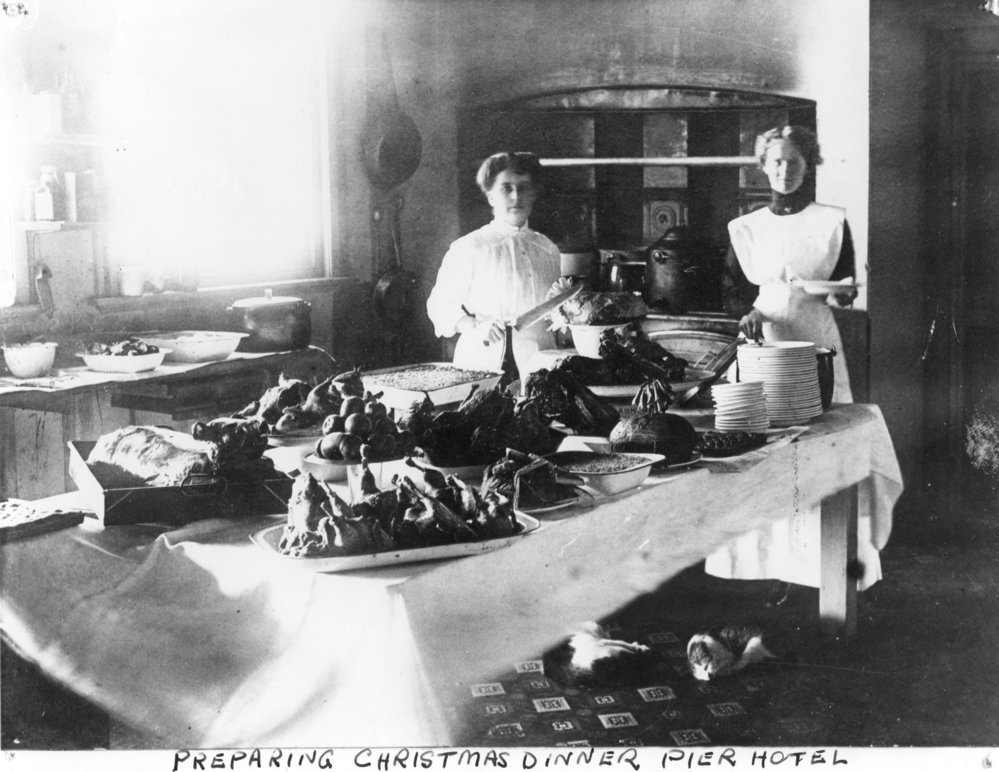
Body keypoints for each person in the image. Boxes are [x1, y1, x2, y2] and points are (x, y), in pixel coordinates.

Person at [706, 125, 879, 602]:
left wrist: (842, 292)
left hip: (817, 334)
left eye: (795, 162)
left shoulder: (831, 221)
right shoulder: (746, 228)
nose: (785, 170)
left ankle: (819, 564)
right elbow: (732, 295)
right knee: (763, 447)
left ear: (809, 166)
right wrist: (745, 313)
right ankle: (762, 564)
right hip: (764, 339)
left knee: (819, 444)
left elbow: (844, 283)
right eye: (776, 162)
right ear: (763, 166)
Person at [427, 151, 571, 383]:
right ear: (491, 196)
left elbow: (555, 310)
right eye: (506, 188)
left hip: (541, 361)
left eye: (524, 188)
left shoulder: (548, 248)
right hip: (485, 359)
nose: (516, 196)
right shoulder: (470, 247)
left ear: (533, 194)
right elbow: (439, 305)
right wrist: (475, 326)